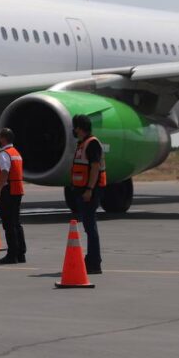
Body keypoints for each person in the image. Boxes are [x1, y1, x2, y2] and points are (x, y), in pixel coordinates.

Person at [70, 114, 105, 274]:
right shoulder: (82, 144)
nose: (73, 130)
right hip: (82, 190)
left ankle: (94, 262)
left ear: (79, 128)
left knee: (90, 227)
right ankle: (91, 259)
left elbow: (95, 167)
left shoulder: (92, 144)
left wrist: (89, 189)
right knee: (88, 227)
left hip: (89, 191)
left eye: (75, 126)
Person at [0, 128, 26, 265]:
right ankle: (20, 253)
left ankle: (12, 254)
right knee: (16, 223)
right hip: (17, 190)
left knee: (8, 224)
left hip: (8, 191)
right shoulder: (16, 153)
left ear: (3, 138)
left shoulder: (4, 154)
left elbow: (5, 172)